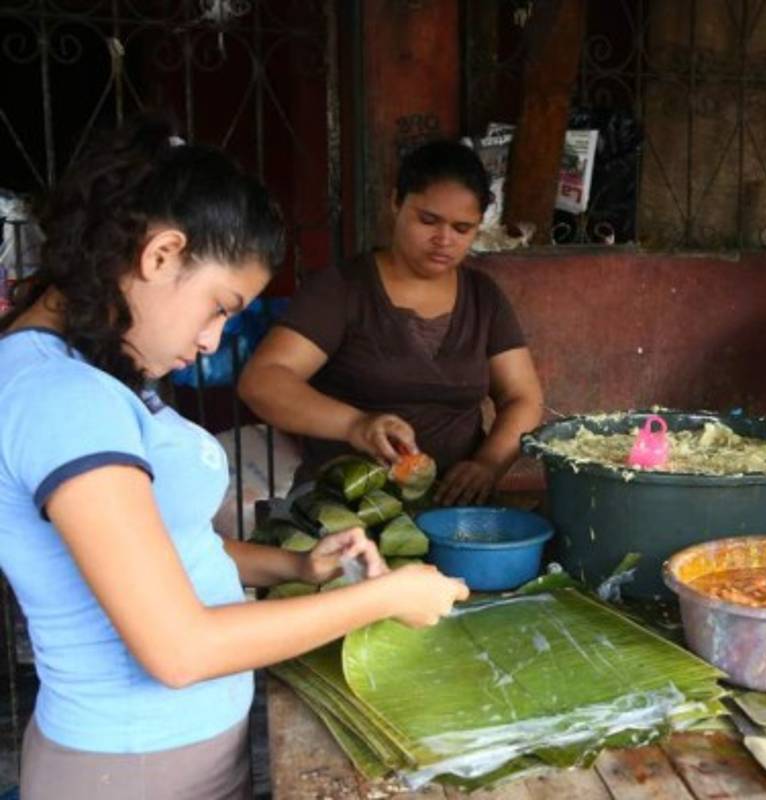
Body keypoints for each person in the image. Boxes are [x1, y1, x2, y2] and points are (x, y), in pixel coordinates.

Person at [0, 116, 469, 800]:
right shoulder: (64, 399)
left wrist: (296, 566)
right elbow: (179, 649)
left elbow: (162, 546)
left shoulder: (84, 374)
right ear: (163, 254)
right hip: (131, 770)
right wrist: (383, 597)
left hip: (170, 757)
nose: (212, 342)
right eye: (220, 307)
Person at [238, 140, 544, 506]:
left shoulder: (483, 297)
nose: (443, 240)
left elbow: (522, 397)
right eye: (428, 220)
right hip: (345, 507)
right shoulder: (342, 289)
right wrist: (356, 425)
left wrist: (488, 465)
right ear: (396, 202)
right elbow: (263, 380)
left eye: (462, 228)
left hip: (454, 511)